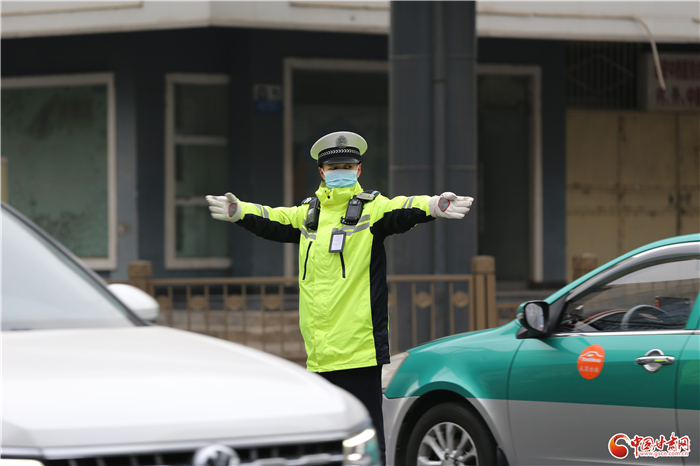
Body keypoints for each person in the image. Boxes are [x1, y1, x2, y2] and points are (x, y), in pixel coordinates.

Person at [206, 131, 473, 464]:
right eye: (333, 167)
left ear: (359, 170)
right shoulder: (309, 214)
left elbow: (403, 208)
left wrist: (433, 205)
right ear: (321, 171)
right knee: (326, 437)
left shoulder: (372, 209)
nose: (340, 172)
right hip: (319, 350)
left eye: (347, 166)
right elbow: (273, 218)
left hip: (359, 348)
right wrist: (239, 211)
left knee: (365, 435)